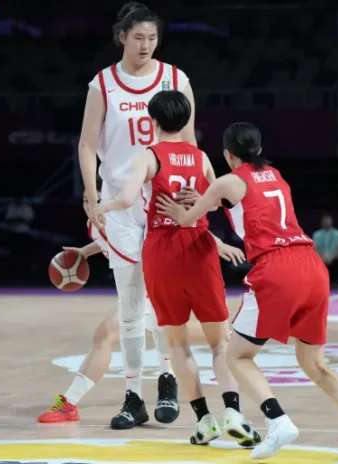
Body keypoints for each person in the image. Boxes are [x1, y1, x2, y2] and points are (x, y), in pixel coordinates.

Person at [155, 122, 338, 461]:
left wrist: (180, 211)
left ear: (227, 155)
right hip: (311, 267)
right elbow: (240, 200)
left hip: (277, 269)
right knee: (315, 363)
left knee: (237, 356)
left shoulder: (226, 181)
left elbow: (189, 219)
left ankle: (277, 421)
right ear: (260, 150)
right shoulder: (276, 175)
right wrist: (207, 199)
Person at [95, 91, 261, 448]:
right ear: (186, 121)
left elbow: (126, 199)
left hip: (161, 250)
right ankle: (233, 413)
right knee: (220, 343)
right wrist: (200, 205)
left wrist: (100, 206)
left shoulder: (148, 155)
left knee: (177, 342)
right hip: (199, 247)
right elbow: (215, 202)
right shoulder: (200, 157)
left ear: (153, 121)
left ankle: (204, 420)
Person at [78, 2, 197, 429]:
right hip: (120, 204)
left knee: (164, 299)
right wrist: (92, 196)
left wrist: (191, 192)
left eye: (152, 38)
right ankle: (133, 396)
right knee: (130, 305)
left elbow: (188, 142)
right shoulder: (103, 83)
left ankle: (167, 380)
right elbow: (87, 144)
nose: (146, 45)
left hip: (165, 200)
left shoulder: (176, 79)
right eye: (139, 37)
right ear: (122, 37)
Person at [38, 189, 177, 423]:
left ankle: (70, 404)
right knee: (110, 335)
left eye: (95, 200)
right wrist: (85, 251)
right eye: (86, 200)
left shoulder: (130, 214)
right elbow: (107, 241)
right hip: (141, 288)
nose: (90, 205)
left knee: (108, 334)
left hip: (159, 283)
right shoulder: (94, 226)